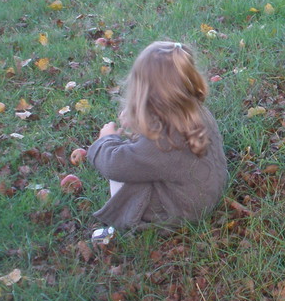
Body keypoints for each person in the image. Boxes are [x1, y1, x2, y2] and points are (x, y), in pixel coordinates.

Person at [86, 41, 227, 231]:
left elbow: (115, 164)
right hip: (208, 191)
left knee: (124, 176)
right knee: (143, 161)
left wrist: (106, 139)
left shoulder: (164, 142)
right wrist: (139, 120)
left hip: (184, 211)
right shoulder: (195, 111)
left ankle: (122, 223)